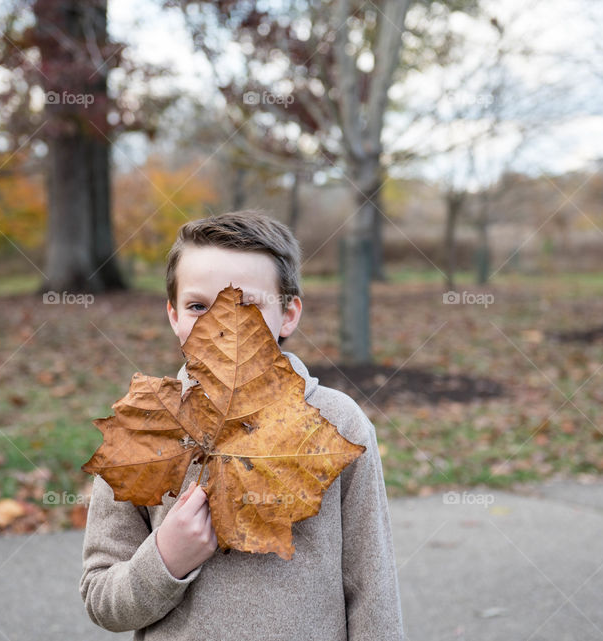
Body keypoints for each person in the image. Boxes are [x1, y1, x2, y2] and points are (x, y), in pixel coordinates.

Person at [80, 211, 404, 640]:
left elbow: (372, 585)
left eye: (246, 305)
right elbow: (101, 599)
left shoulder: (337, 423)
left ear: (289, 315)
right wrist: (165, 559)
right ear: (173, 315)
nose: (220, 325)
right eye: (198, 306)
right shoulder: (143, 427)